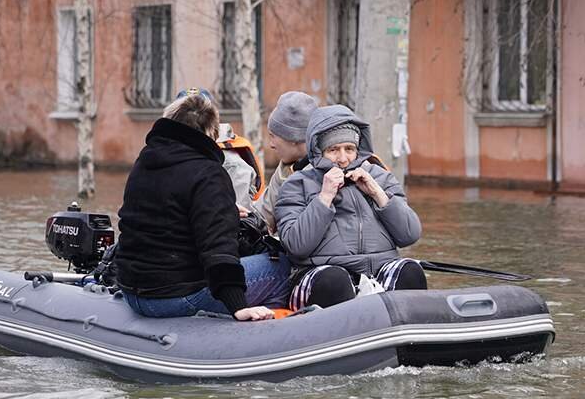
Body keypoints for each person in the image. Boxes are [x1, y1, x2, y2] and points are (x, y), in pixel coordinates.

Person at [115, 89, 290, 321]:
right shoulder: (209, 174)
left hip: (133, 293)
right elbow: (217, 247)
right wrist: (237, 305)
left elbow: (163, 218)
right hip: (176, 297)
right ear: (212, 131)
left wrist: (224, 210)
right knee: (281, 267)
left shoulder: (144, 162)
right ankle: (262, 336)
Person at [275, 105, 427, 310]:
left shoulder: (381, 177)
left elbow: (410, 234)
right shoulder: (296, 184)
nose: (343, 159)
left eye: (349, 149)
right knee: (334, 280)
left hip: (377, 272)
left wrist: (377, 194)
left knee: (410, 270)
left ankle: (405, 337)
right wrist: (324, 197)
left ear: (358, 149)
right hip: (321, 273)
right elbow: (296, 245)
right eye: (333, 150)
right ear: (318, 151)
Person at [252, 91, 318, 235]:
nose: (271, 145)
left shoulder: (327, 170)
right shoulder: (287, 168)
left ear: (293, 137)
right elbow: (262, 214)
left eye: (273, 136)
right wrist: (247, 218)